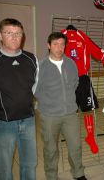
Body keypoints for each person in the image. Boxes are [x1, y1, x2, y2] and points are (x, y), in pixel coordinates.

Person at [0, 18, 38, 180]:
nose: (14, 37)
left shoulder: (31, 59)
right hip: (2, 123)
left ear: (23, 35)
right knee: (3, 167)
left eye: (18, 33)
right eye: (9, 33)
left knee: (29, 164)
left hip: (28, 121)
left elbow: (34, 87)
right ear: (0, 35)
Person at [34, 32, 87, 180]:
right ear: (48, 46)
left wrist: (68, 100)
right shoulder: (41, 66)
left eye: (62, 44)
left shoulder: (70, 63)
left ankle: (78, 173)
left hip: (70, 113)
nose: (59, 48)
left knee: (75, 146)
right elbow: (35, 89)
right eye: (55, 44)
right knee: (50, 149)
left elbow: (75, 82)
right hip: (49, 115)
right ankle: (51, 176)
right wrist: (49, 102)